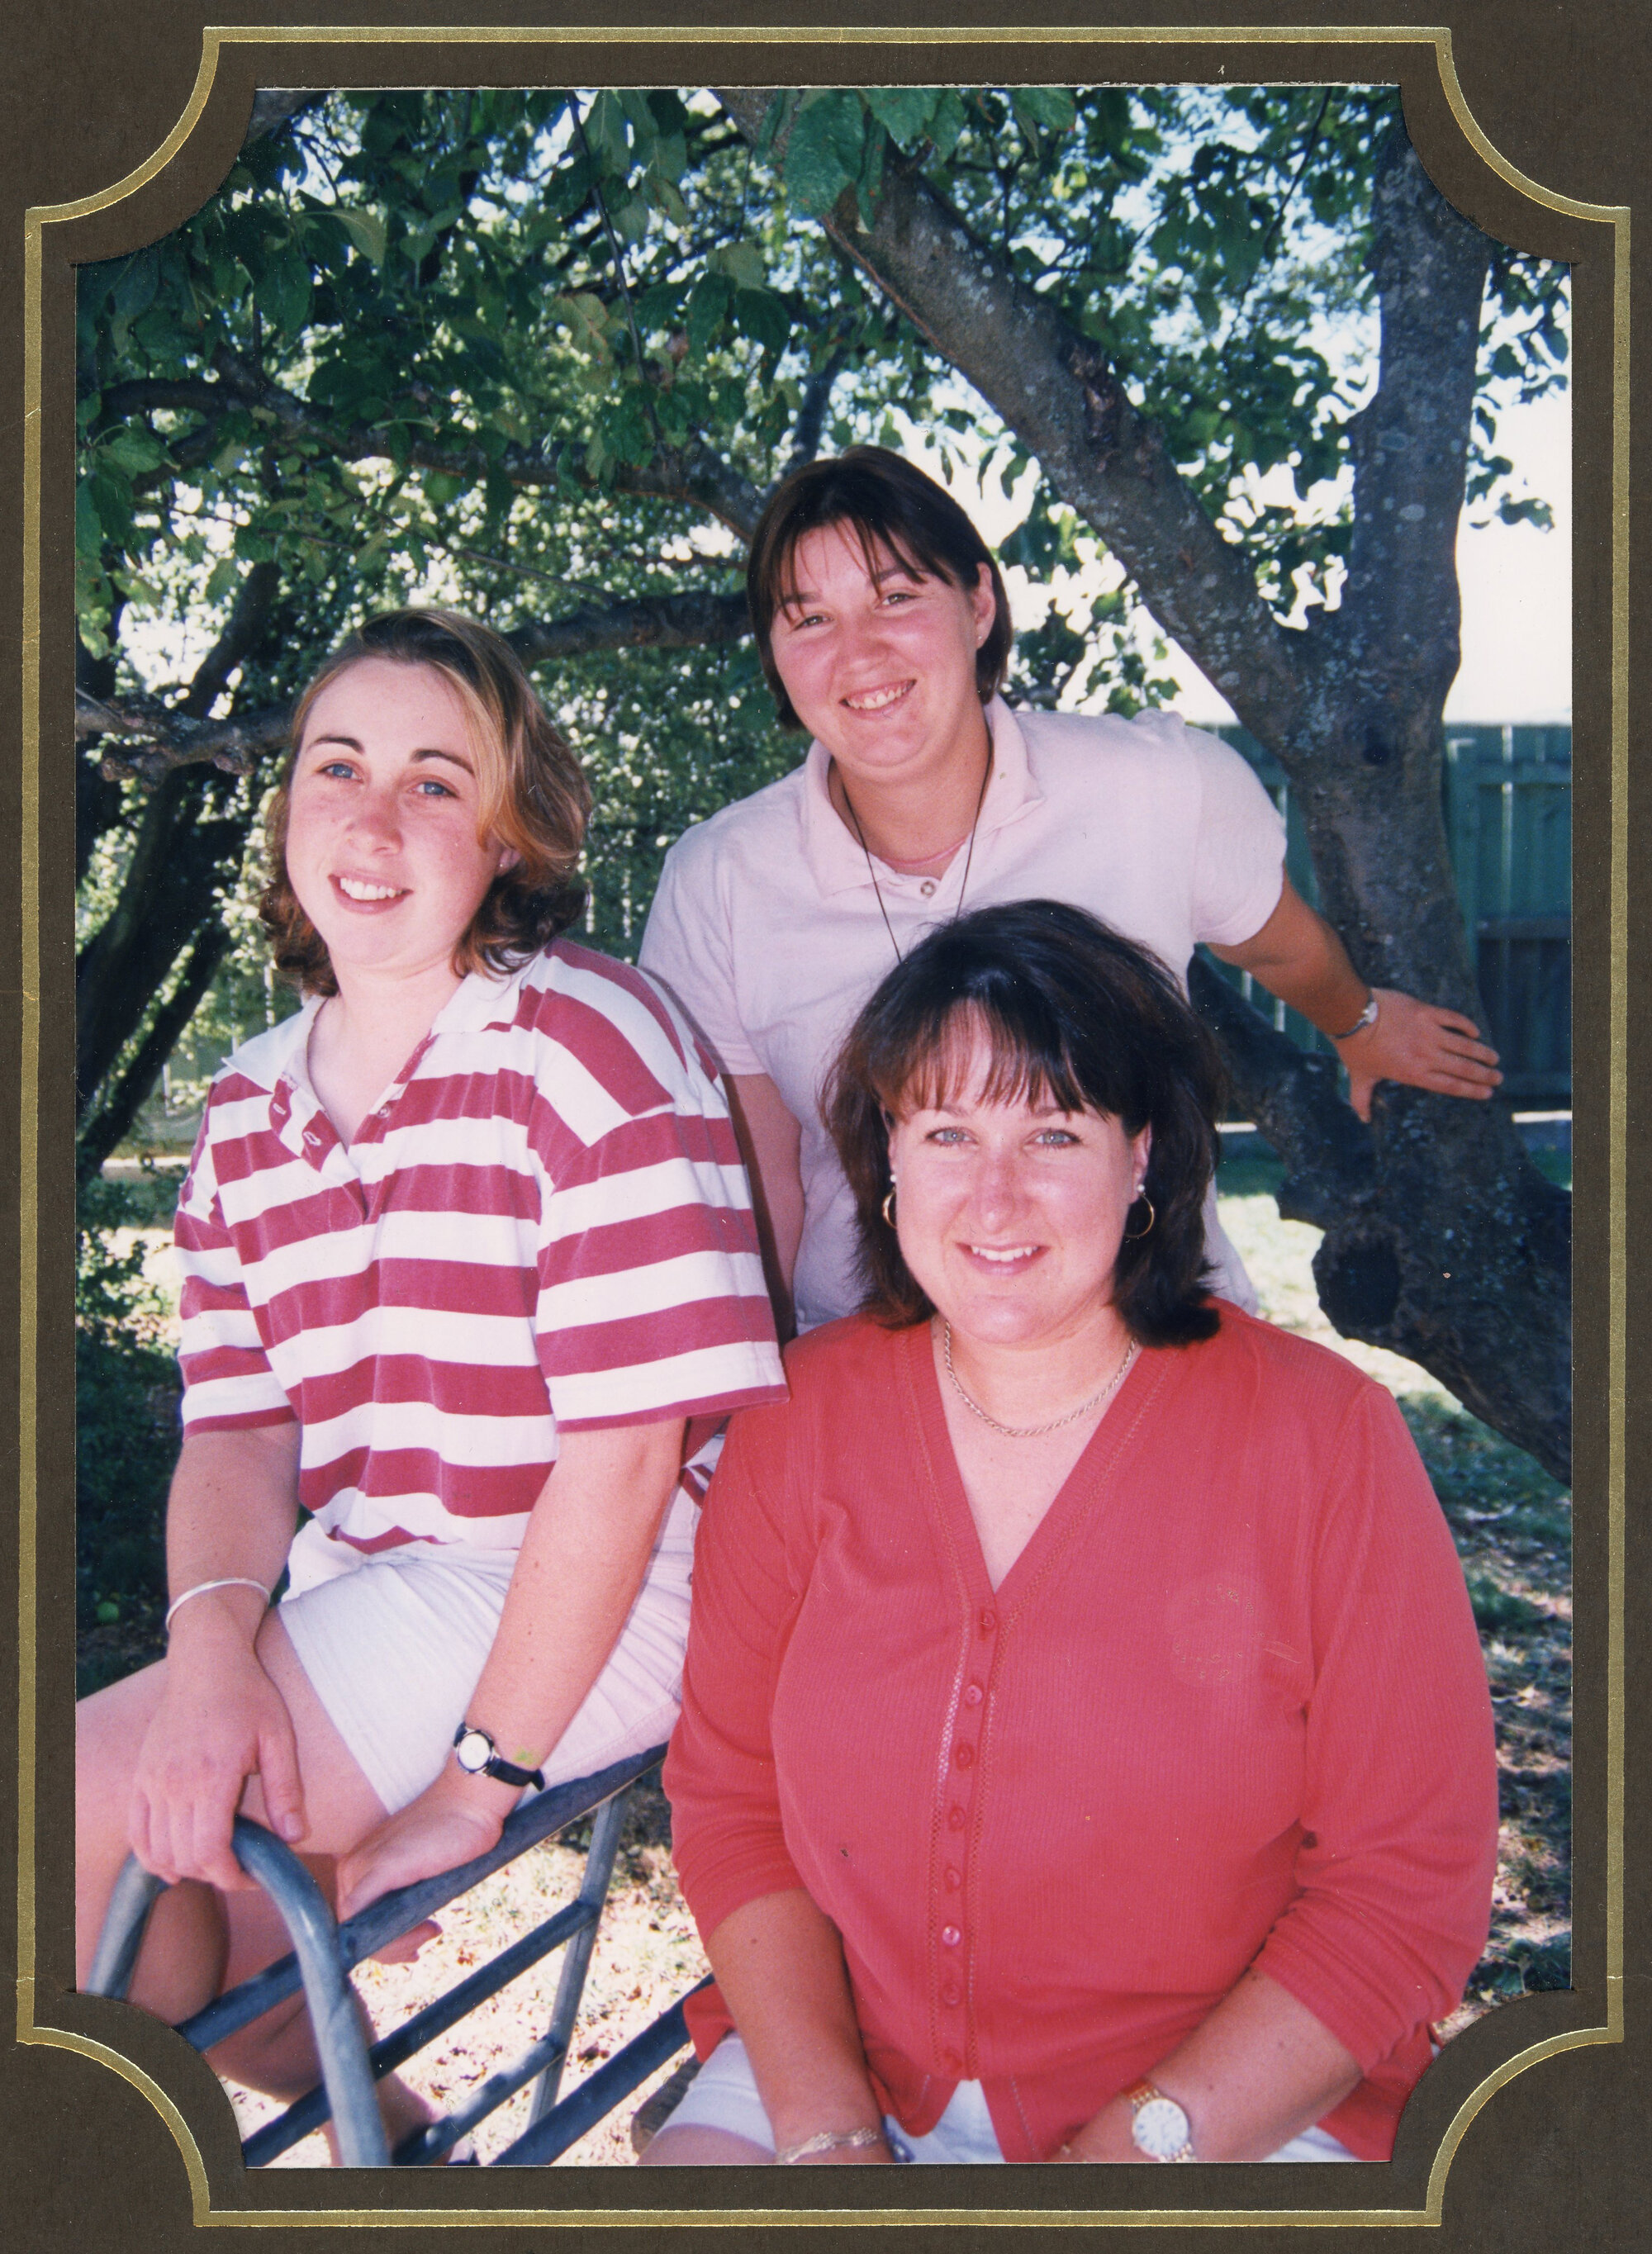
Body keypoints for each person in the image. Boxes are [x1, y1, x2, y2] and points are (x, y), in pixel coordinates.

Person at [75, 610, 785, 2157]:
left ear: (509, 837)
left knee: (57, 1823)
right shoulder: (248, 1103)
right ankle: (400, 2149)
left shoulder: (586, 1039)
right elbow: (237, 1432)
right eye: (338, 766)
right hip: (384, 1575)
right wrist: (210, 1655)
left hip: (615, 1575)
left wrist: (476, 1781)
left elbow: (626, 1453)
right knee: (186, 1915)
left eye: (435, 782)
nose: (374, 818)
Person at [645, 901, 1497, 2168]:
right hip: (849, 2064)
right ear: (888, 1155)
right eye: (947, 1132)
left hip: (1224, 2111)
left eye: (1053, 1131)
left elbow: (1405, 1885)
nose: (994, 1196)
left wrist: (1117, 2169)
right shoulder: (796, 1417)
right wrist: (831, 2141)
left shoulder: (1325, 1440)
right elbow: (730, 1798)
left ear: (1141, 1154)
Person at [638, 445, 1502, 1336]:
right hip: (872, 1351)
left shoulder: (1157, 786)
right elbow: (758, 1184)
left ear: (978, 604)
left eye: (896, 598)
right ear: (774, 654)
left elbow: (1276, 942)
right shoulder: (720, 880)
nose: (858, 653)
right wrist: (773, 1384)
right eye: (810, 619)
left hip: (1146, 1335)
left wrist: (1360, 1023)